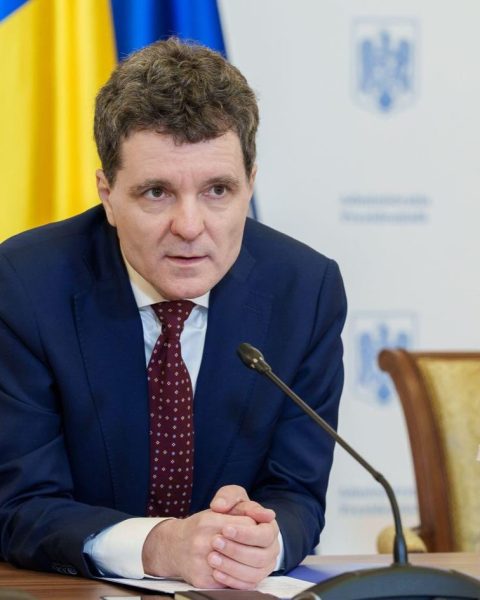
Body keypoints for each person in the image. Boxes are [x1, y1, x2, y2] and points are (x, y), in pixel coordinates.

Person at [0, 38, 346, 590]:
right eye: (157, 192)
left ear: (250, 185)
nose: (189, 226)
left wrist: (262, 540)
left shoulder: (305, 291)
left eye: (217, 190)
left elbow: (298, 495)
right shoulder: (25, 285)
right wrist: (159, 545)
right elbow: (21, 505)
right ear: (107, 194)